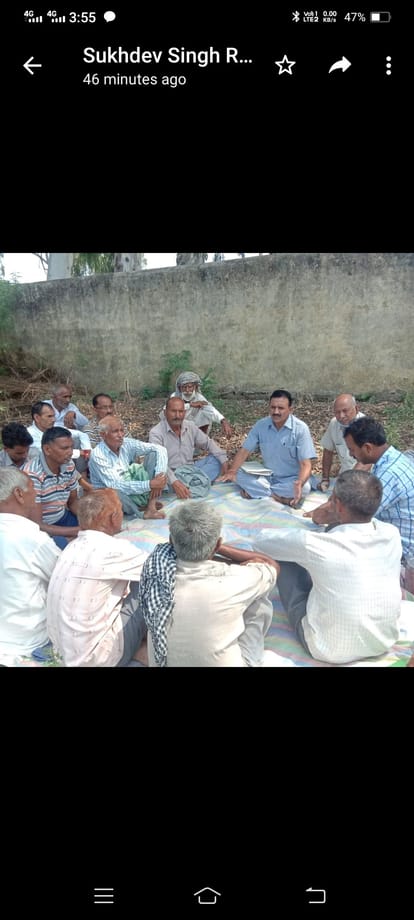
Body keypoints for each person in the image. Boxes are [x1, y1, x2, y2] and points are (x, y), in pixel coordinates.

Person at [252, 470, 402, 664]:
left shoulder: (314, 544)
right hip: (382, 642)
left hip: (327, 648)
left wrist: (323, 518)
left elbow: (261, 542)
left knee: (284, 558)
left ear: (337, 505)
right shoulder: (391, 534)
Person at [139, 500, 278, 667]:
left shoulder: (156, 569)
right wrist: (213, 546)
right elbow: (271, 565)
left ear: (171, 540)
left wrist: (196, 546)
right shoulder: (234, 579)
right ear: (218, 544)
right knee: (259, 595)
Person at [47, 489, 149, 667]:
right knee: (149, 581)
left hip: (62, 653)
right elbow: (158, 566)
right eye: (121, 510)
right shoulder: (113, 549)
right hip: (97, 659)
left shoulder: (70, 548)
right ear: (113, 518)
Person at [0, 468, 60, 662]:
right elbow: (62, 577)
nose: (36, 494)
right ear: (19, 494)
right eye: (33, 488)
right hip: (27, 639)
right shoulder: (30, 538)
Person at [218, 389, 316, 507]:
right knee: (239, 474)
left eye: (280, 408)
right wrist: (232, 472)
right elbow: (244, 451)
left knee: (305, 488)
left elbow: (306, 464)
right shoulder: (261, 425)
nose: (276, 412)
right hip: (267, 477)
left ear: (290, 410)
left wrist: (299, 483)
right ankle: (278, 497)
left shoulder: (300, 429)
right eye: (273, 407)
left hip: (291, 479)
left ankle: (258, 492)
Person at [344, 417, 414, 562]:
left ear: (368, 448)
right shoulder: (393, 459)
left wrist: (324, 515)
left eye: (352, 449)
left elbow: (357, 515)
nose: (351, 454)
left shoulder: (389, 473)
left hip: (404, 555)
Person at [88, 415, 167, 518]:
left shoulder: (127, 443)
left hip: (132, 486)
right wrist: (150, 484)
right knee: (113, 492)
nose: (120, 435)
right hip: (117, 495)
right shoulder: (98, 455)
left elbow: (160, 449)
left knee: (153, 453)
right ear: (103, 435)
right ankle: (139, 513)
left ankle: (151, 507)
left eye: (122, 430)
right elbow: (115, 485)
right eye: (115, 431)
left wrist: (159, 478)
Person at [149, 397, 229, 499]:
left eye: (180, 411)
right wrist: (175, 482)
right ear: (165, 413)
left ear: (185, 412)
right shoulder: (156, 433)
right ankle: (197, 485)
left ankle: (191, 487)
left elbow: (208, 443)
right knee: (160, 476)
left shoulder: (190, 426)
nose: (177, 415)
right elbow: (158, 462)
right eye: (173, 411)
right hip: (170, 475)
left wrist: (224, 462)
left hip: (191, 470)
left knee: (216, 460)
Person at [23, 426, 80, 549]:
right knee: (72, 547)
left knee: (98, 533)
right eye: (64, 448)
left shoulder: (69, 464)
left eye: (71, 447)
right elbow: (37, 525)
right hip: (43, 529)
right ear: (47, 449)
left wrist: (88, 519)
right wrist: (79, 531)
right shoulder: (33, 474)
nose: (70, 452)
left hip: (62, 516)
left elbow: (73, 501)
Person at [315, 393, 366, 492]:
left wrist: (350, 482)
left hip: (366, 478)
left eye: (345, 411)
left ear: (356, 409)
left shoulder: (367, 426)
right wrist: (325, 479)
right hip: (345, 476)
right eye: (337, 412)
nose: (341, 416)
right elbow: (328, 451)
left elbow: (366, 463)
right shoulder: (334, 423)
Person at [167, 371, 233, 436]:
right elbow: (169, 410)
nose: (187, 390)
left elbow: (210, 410)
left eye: (190, 387)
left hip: (193, 427)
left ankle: (201, 439)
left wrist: (223, 421)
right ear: (180, 388)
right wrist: (190, 405)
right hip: (177, 427)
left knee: (205, 413)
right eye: (184, 387)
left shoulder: (199, 398)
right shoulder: (174, 396)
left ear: (195, 387)